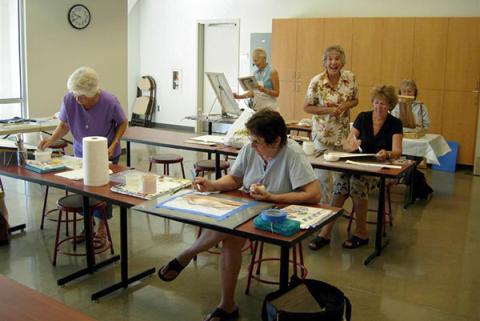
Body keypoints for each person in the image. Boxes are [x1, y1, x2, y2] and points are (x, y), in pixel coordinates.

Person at [157, 109, 320, 321]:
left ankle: (188, 257)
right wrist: (212, 185)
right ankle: (226, 305)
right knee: (230, 233)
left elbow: (314, 193)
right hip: (249, 205)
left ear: (277, 140)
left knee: (230, 229)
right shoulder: (250, 148)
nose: (252, 146)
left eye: (258, 142)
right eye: (251, 140)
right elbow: (235, 179)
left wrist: (272, 196)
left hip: (277, 211)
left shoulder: (292, 153)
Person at [38, 66, 128, 246]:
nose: (78, 100)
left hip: (106, 153)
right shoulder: (70, 99)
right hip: (80, 152)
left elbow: (122, 122)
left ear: (94, 93)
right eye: (75, 95)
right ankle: (87, 226)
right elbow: (64, 125)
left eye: (82, 96)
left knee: (103, 191)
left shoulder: (110, 101)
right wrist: (49, 141)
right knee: (81, 189)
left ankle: (102, 229)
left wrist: (114, 143)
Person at [309, 85, 403, 250]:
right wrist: (350, 145)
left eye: (383, 104)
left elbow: (397, 151)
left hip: (380, 168)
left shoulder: (395, 123)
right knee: (342, 183)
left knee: (357, 184)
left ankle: (361, 232)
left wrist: (386, 154)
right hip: (358, 164)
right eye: (376, 103)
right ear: (372, 102)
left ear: (390, 105)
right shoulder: (363, 117)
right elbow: (347, 143)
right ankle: (325, 232)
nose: (379, 107)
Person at [304, 45, 358, 206]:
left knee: (340, 177)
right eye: (330, 59)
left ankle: (335, 209)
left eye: (337, 59)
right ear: (325, 62)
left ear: (342, 62)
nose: (333, 62)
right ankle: (323, 210)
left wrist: (346, 105)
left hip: (342, 135)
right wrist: (329, 110)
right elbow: (307, 107)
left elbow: (356, 100)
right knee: (322, 177)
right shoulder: (317, 81)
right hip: (322, 136)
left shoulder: (350, 78)